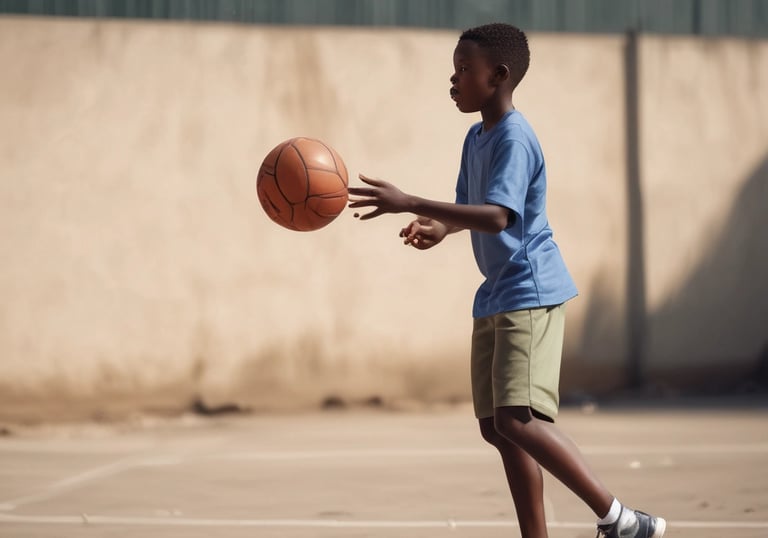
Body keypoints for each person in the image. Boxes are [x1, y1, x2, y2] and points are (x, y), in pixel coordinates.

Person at [348, 23, 665, 538]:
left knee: (518, 420)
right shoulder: (476, 137)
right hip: (496, 292)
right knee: (498, 427)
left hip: (530, 290)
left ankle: (622, 519)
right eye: (452, 71)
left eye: (462, 71)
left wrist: (410, 201)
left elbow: (497, 216)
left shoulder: (516, 138)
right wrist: (439, 226)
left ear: (499, 76)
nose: (452, 81)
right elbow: (470, 211)